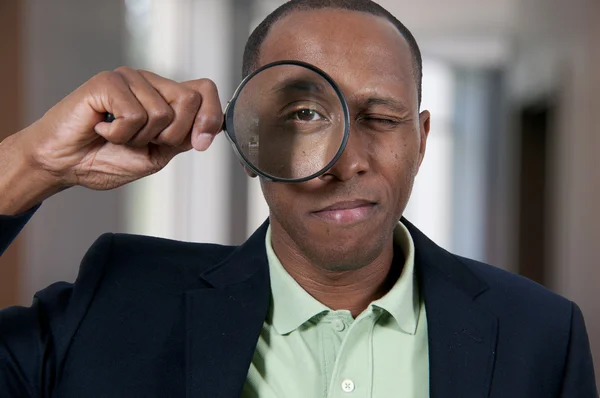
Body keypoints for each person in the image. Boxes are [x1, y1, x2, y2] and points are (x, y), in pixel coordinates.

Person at [0, 0, 596, 397]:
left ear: (421, 141)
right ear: (247, 135)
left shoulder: (541, 334)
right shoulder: (117, 301)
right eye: (304, 115)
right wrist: (31, 163)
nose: (348, 160)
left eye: (381, 117)